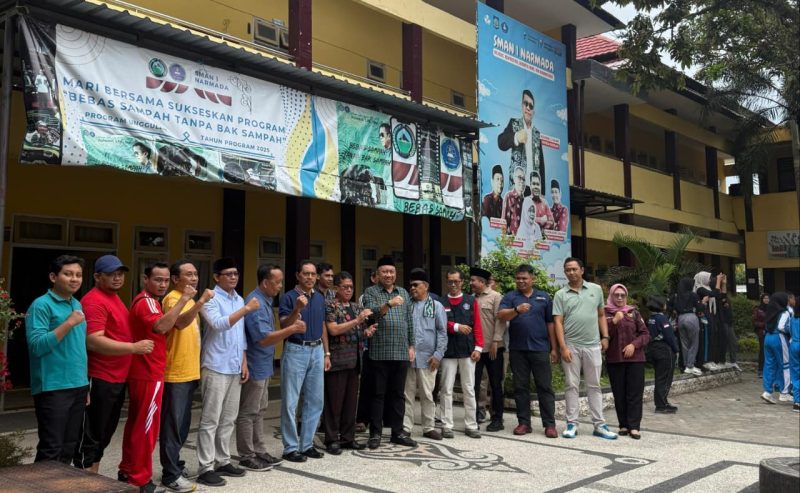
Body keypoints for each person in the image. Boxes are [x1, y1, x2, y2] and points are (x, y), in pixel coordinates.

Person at [119, 262, 196, 493]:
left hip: (146, 372)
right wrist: (183, 299)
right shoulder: (147, 302)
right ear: (146, 280)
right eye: (158, 280)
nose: (162, 284)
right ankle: (142, 480)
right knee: (147, 429)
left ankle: (128, 470)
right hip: (148, 373)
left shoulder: (151, 301)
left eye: (164, 280)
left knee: (137, 425)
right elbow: (161, 327)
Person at [75, 255, 153, 474]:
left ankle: (94, 481)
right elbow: (93, 340)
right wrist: (133, 348)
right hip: (100, 377)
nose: (117, 278)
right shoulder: (94, 301)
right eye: (111, 274)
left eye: (120, 274)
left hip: (117, 378)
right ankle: (85, 485)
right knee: (90, 438)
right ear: (97, 276)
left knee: (103, 435)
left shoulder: (114, 297)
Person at [197, 258, 258, 487]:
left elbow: (240, 334)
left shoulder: (239, 299)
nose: (233, 277)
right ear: (216, 277)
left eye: (236, 273)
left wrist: (244, 361)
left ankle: (223, 460)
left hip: (234, 365)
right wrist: (246, 309)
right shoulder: (209, 299)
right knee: (210, 419)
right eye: (228, 274)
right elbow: (219, 324)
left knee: (228, 418)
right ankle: (205, 466)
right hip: (215, 365)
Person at [237, 264, 304, 471]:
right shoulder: (255, 303)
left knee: (260, 410)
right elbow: (263, 339)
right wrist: (292, 329)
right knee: (249, 412)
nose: (280, 286)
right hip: (256, 365)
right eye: (277, 282)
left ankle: (259, 450)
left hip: (264, 366)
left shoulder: (265, 300)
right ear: (265, 283)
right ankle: (247, 454)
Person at [26, 255, 88, 463]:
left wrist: (84, 384)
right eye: (68, 274)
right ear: (53, 277)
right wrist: (69, 323)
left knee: (70, 447)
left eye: (78, 275)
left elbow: (78, 349)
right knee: (51, 448)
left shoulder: (77, 304)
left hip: (77, 385)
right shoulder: (41, 305)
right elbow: (37, 346)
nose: (74, 279)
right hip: (52, 387)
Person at [160, 260, 215, 492]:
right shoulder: (173, 298)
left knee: (182, 426)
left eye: (195, 274)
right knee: (172, 425)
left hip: (190, 371)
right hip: (175, 373)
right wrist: (200, 301)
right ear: (175, 279)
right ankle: (170, 474)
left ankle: (176, 465)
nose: (193, 278)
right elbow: (180, 324)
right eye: (188, 275)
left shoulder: (188, 299)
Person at [553, 257, 617, 440]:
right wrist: (562, 347)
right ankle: (572, 423)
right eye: (567, 270)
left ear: (582, 270)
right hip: (571, 346)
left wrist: (605, 336)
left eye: (574, 269)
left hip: (593, 345)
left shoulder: (595, 290)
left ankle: (599, 424)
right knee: (571, 385)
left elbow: (601, 314)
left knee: (594, 385)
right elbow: (558, 322)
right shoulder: (561, 294)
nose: (570, 272)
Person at [362, 256, 416, 449]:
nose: (388, 275)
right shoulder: (371, 292)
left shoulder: (403, 292)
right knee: (378, 394)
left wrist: (412, 346)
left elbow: (409, 321)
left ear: (396, 274)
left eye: (391, 272)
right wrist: (390, 304)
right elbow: (372, 314)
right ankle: (375, 434)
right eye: (384, 272)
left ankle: (397, 432)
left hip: (401, 352)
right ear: (377, 274)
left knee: (398, 395)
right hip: (379, 351)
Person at [497, 264, 557, 438]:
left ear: (533, 279)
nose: (521, 281)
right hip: (518, 350)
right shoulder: (510, 297)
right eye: (518, 278)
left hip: (540, 349)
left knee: (544, 387)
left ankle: (549, 424)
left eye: (524, 278)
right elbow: (501, 315)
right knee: (520, 387)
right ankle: (524, 423)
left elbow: (550, 324)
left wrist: (554, 348)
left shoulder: (544, 297)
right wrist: (516, 310)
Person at [278, 260, 326, 462]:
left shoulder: (320, 297)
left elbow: (322, 324)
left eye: (313, 274)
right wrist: (297, 308)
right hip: (296, 349)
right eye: (305, 274)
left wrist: (327, 353)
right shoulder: (289, 297)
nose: (310, 277)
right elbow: (283, 325)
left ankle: (306, 444)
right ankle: (290, 447)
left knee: (315, 400)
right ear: (298, 275)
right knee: (291, 400)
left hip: (317, 350)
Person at [322, 271, 375, 453]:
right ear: (337, 287)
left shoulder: (355, 306)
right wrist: (357, 321)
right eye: (345, 287)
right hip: (337, 360)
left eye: (351, 287)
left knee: (351, 403)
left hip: (355, 361)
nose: (349, 290)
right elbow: (334, 329)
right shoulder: (330, 305)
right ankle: (331, 439)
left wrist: (367, 331)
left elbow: (360, 329)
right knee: (334, 402)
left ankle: (347, 437)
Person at [403, 268, 447, 440]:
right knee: (407, 394)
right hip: (408, 358)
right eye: (410, 286)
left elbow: (442, 332)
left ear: (426, 286)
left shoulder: (436, 306)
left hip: (429, 358)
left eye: (416, 285)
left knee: (428, 394)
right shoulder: (407, 305)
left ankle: (428, 427)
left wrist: (438, 354)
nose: (412, 288)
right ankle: (406, 427)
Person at [439, 269, 483, 439]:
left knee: (469, 389)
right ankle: (446, 425)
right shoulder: (441, 302)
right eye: (450, 281)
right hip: (448, 352)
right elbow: (440, 323)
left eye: (456, 281)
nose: (453, 285)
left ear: (462, 282)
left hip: (467, 352)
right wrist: (456, 326)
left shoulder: (471, 301)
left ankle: (471, 425)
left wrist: (478, 348)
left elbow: (477, 325)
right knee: (446, 389)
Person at [604, 284, 650, 440]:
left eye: (622, 295)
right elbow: (603, 335)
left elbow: (645, 334)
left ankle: (634, 426)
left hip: (635, 359)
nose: (619, 298)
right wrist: (614, 321)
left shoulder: (634, 313)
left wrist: (633, 345)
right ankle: (623, 425)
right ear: (611, 296)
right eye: (616, 295)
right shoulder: (605, 313)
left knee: (635, 393)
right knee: (619, 394)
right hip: (615, 359)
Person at [470, 267, 506, 432]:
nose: (471, 283)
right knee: (474, 384)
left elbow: (500, 321)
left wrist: (496, 341)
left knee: (495, 384)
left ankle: (497, 419)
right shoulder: (470, 299)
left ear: (482, 282)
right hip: (476, 350)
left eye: (473, 281)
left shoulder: (496, 297)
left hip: (493, 348)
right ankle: (475, 415)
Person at [497, 89, 545, 193]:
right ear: (522, 105)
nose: (528, 107)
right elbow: (500, 142)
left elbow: (541, 164)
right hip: (517, 186)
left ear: (533, 111)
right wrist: (516, 137)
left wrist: (543, 192)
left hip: (533, 189)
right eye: (525, 103)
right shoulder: (514, 123)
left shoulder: (537, 133)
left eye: (531, 106)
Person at [645, 296, 680, 415]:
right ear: (660, 305)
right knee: (665, 379)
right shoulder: (662, 319)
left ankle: (662, 402)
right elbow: (669, 336)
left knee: (659, 377)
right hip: (664, 351)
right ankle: (661, 405)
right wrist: (676, 350)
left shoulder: (651, 318)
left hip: (654, 349)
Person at [761, 292, 792, 404]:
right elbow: (782, 327)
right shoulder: (784, 312)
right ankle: (784, 392)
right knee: (786, 365)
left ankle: (767, 392)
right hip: (779, 338)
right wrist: (792, 331)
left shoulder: (770, 311)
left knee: (769, 364)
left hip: (767, 338)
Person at [694, 271, 724, 371]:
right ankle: (705, 361)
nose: (710, 280)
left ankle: (712, 359)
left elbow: (718, 295)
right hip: (703, 315)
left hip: (709, 314)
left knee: (712, 337)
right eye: (708, 278)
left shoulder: (707, 288)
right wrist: (718, 281)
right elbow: (715, 293)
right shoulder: (700, 289)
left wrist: (722, 283)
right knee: (706, 338)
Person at [673, 278, 702, 375]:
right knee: (694, 343)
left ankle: (686, 365)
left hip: (680, 318)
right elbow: (699, 308)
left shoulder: (677, 295)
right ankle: (690, 365)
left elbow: (671, 306)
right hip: (691, 317)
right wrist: (704, 303)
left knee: (684, 343)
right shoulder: (693, 295)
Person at [502, 167, 526, 236]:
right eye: (519, 177)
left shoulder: (525, 201)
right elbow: (504, 222)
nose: (522, 181)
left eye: (523, 179)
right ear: (514, 179)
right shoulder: (509, 196)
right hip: (511, 242)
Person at [753, 293, 770, 378]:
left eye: (768, 298)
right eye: (765, 298)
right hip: (762, 332)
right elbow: (755, 322)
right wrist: (764, 325)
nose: (766, 300)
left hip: (770, 332)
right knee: (763, 351)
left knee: (770, 351)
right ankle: (761, 370)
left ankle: (769, 370)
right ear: (762, 299)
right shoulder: (758, 309)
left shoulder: (771, 309)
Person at [789, 303, 800, 413]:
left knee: (795, 373)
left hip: (794, 346)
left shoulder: (793, 318)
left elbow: (790, 332)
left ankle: (797, 402)